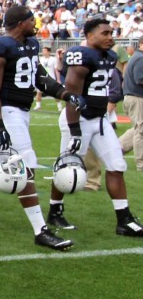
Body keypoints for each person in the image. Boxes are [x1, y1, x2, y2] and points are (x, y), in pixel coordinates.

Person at [0, 4, 86, 249]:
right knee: (24, 165)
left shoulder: (30, 45)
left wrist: (65, 95)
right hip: (5, 111)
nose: (36, 25)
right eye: (32, 20)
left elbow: (39, 77)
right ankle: (40, 229)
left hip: (20, 111)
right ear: (21, 23)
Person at [48, 18, 143, 236]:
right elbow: (72, 96)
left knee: (117, 165)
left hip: (99, 121)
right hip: (78, 119)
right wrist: (74, 131)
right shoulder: (82, 56)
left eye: (112, 32)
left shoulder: (110, 56)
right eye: (105, 33)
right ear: (90, 36)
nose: (111, 37)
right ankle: (55, 210)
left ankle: (124, 219)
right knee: (67, 166)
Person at [119, 46, 143, 171]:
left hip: (132, 97)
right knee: (141, 131)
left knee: (138, 128)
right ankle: (141, 164)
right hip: (137, 98)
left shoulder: (136, 57)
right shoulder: (140, 58)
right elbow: (140, 79)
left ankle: (117, 149)